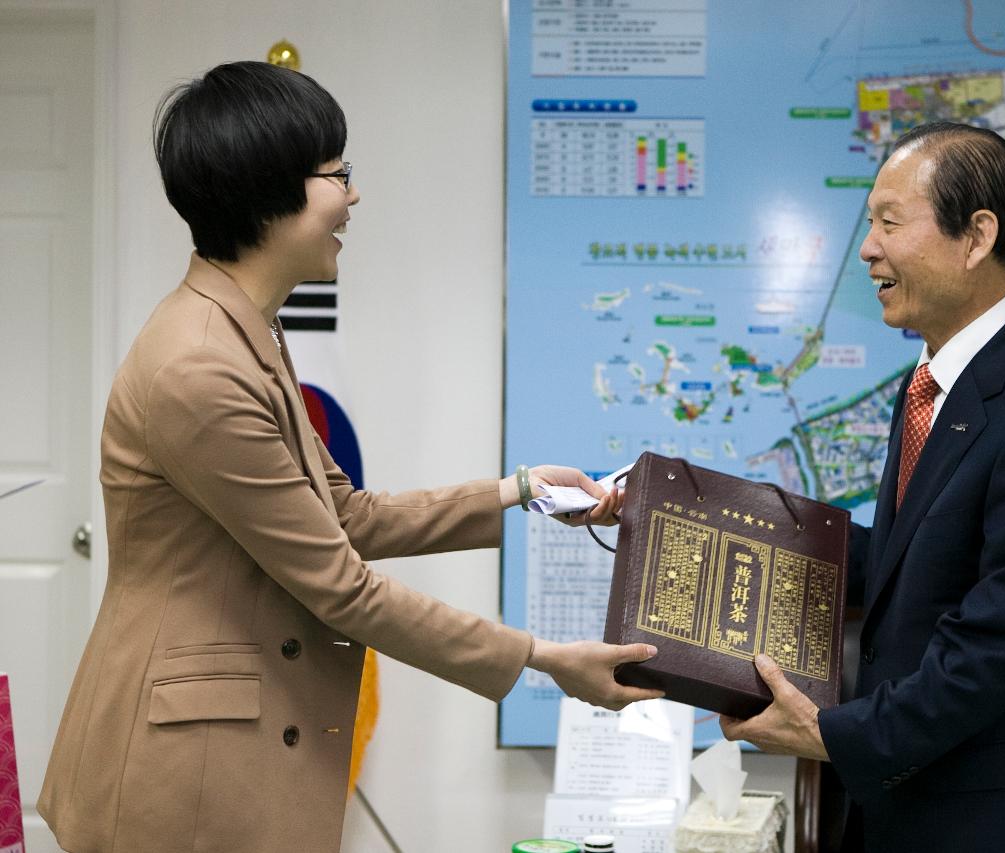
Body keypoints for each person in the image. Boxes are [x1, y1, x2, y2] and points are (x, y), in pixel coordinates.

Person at [37, 61, 662, 853]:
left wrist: (521, 491)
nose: (354, 197)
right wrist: (540, 658)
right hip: (181, 772)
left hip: (219, 747)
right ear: (269, 190)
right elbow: (340, 584)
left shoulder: (246, 331)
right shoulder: (199, 366)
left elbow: (346, 514)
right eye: (339, 174)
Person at [721, 121, 1005, 852]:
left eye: (889, 222)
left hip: (997, 829)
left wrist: (826, 734)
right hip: (907, 813)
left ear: (975, 237)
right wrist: (715, 516)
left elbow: (994, 647)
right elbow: (908, 560)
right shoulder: (932, 387)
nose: (868, 248)